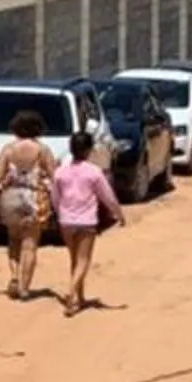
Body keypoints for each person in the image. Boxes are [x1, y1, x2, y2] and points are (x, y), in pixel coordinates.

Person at [50, 129, 122, 315]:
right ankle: (72, 291)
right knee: (84, 260)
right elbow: (107, 196)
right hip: (86, 221)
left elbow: (55, 197)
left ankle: (78, 298)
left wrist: (59, 213)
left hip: (66, 220)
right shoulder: (94, 172)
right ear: (89, 150)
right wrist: (119, 213)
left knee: (74, 259)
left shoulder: (60, 172)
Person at [0, 108, 56, 301]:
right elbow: (54, 176)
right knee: (30, 244)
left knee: (13, 240)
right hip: (34, 198)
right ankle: (25, 288)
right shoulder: (43, 150)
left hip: (10, 198)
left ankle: (15, 276)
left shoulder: (8, 149)